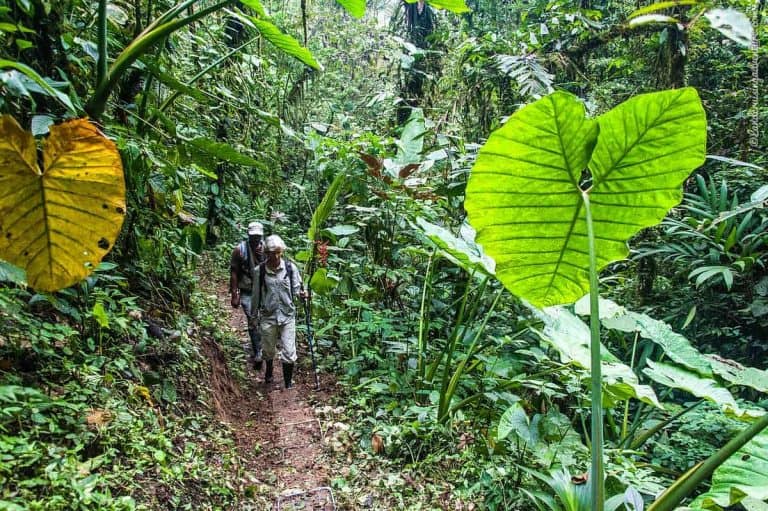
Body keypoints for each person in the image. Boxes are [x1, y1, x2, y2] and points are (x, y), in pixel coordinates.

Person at [252, 235, 305, 388]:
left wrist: (303, 294)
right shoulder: (259, 271)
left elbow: (297, 289)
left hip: (287, 316)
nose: (274, 256)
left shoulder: (290, 268)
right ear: (266, 253)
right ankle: (269, 370)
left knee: (289, 352)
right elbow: (256, 295)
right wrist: (253, 317)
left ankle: (288, 383)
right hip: (268, 316)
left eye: (277, 252)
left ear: (281, 252)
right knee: (268, 350)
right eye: (270, 253)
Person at [230, 221, 266, 370]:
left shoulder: (267, 248)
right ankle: (258, 351)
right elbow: (233, 271)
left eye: (258, 236)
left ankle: (264, 347)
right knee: (252, 319)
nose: (256, 239)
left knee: (264, 319)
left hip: (264, 290)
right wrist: (234, 293)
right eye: (253, 236)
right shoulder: (240, 250)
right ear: (248, 235)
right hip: (247, 290)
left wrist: (263, 256)